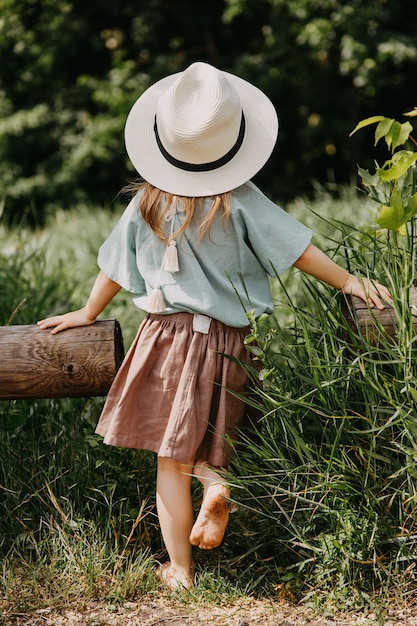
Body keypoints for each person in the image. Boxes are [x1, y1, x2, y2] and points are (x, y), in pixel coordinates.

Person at [38, 62, 391, 590]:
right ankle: (214, 478)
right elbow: (299, 250)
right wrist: (350, 283)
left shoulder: (147, 201)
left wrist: (87, 314)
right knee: (205, 439)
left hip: (164, 339)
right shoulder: (241, 198)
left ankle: (180, 567)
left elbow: (114, 266)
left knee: (169, 456)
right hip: (229, 343)